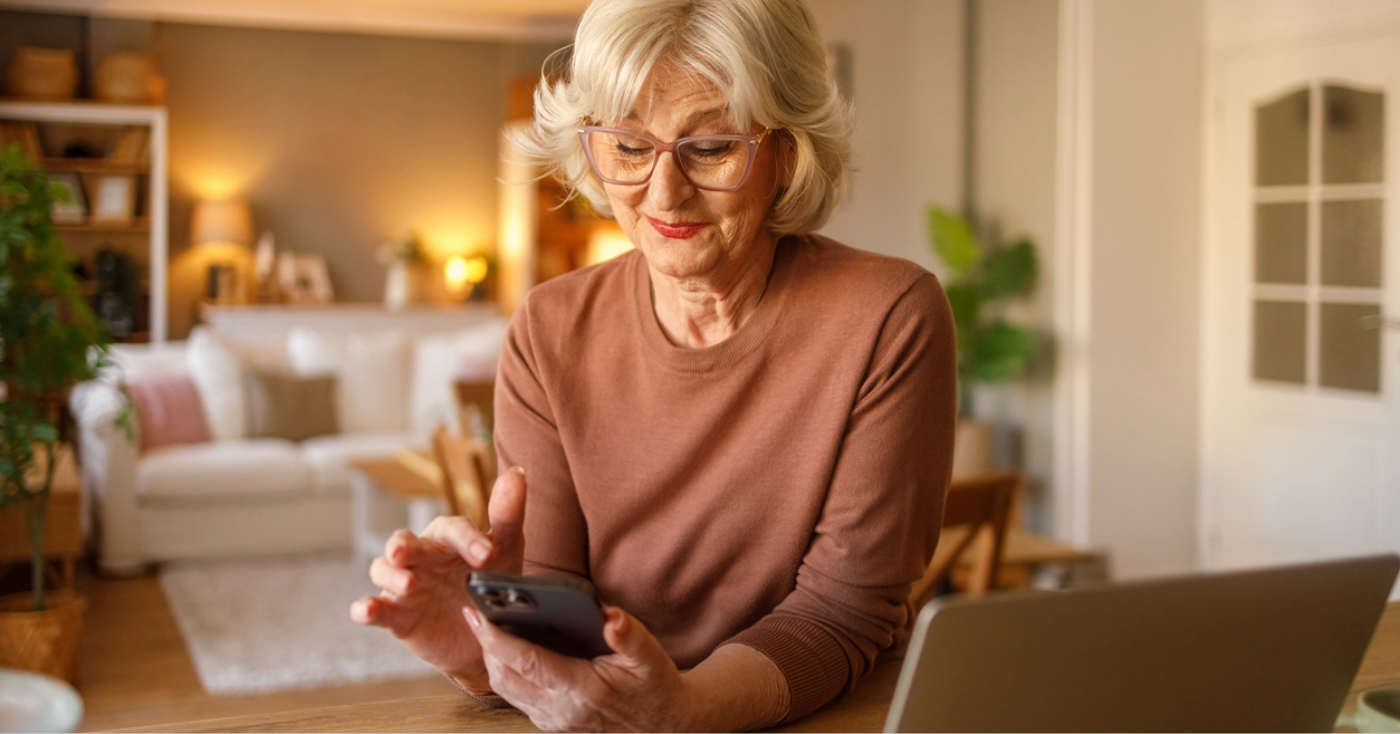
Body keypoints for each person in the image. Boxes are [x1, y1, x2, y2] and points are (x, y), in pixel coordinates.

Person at [350, 0, 957, 729]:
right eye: (630, 148)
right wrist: (479, 643)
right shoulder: (549, 329)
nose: (663, 194)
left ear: (787, 153)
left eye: (711, 149)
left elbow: (842, 611)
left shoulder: (889, 316)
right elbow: (555, 604)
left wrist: (682, 710)